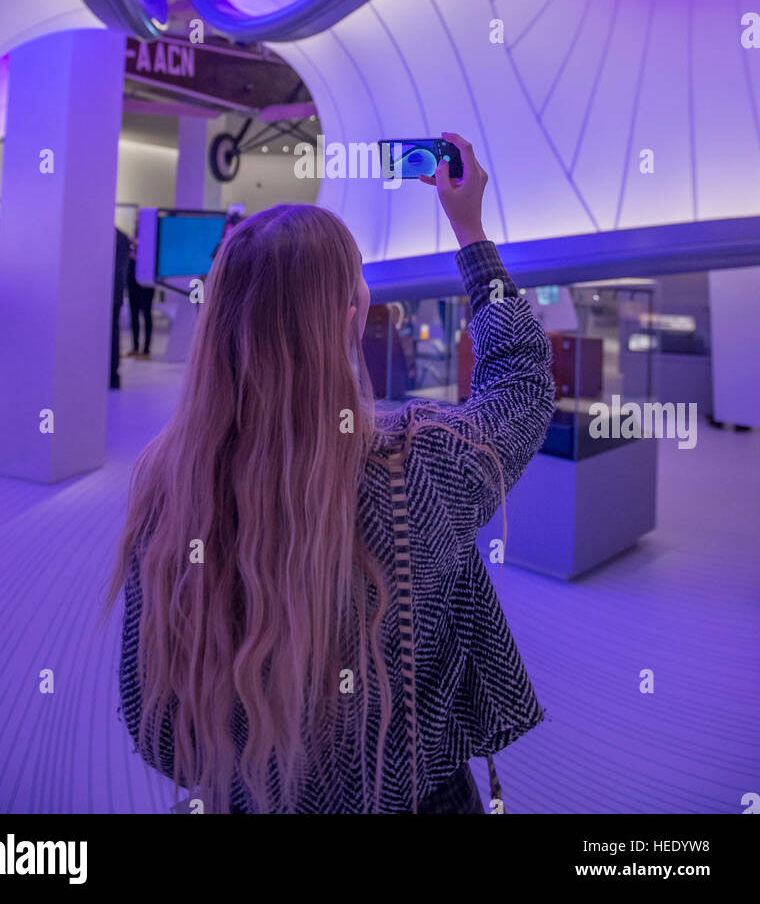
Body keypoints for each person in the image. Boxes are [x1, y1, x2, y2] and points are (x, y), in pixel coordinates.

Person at [103, 133, 555, 812]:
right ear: (349, 320)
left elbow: (160, 734)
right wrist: (470, 231)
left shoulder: (167, 484)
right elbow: (521, 384)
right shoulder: (418, 467)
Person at [125, 234, 155, 360]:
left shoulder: (152, 239)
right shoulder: (133, 239)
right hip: (132, 280)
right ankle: (135, 348)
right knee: (134, 314)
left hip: (146, 281)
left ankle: (146, 349)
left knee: (146, 313)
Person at [110, 226, 131, 390]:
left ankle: (110, 374)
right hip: (115, 294)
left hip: (109, 296)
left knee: (111, 335)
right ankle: (112, 374)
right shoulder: (122, 237)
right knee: (113, 334)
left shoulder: (112, 236)